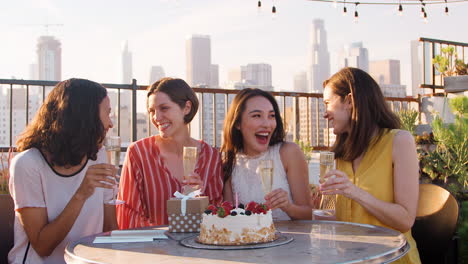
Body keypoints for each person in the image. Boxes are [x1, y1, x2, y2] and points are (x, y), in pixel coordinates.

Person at [8, 79, 118, 264]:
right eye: (107, 113)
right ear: (86, 117)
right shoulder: (28, 164)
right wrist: (81, 194)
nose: (110, 123)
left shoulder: (98, 155)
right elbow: (43, 246)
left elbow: (110, 229)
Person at [319, 67, 421, 264]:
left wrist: (353, 191)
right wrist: (318, 203)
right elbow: (332, 219)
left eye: (327, 103)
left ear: (349, 101)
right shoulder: (339, 154)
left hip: (392, 258)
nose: (325, 114)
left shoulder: (399, 141)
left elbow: (405, 220)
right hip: (348, 259)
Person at [116, 77, 223, 229]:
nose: (156, 117)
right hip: (153, 248)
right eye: (151, 111)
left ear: (186, 107)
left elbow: (218, 214)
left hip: (199, 248)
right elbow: (128, 211)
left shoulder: (212, 156)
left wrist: (199, 199)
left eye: (164, 108)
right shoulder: (138, 153)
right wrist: (162, 241)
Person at [221, 88, 311, 220]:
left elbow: (309, 214)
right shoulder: (230, 161)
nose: (267, 124)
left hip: (290, 239)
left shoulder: (289, 153)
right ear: (238, 123)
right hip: (248, 239)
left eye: (271, 116)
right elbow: (227, 218)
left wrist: (288, 207)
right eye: (257, 116)